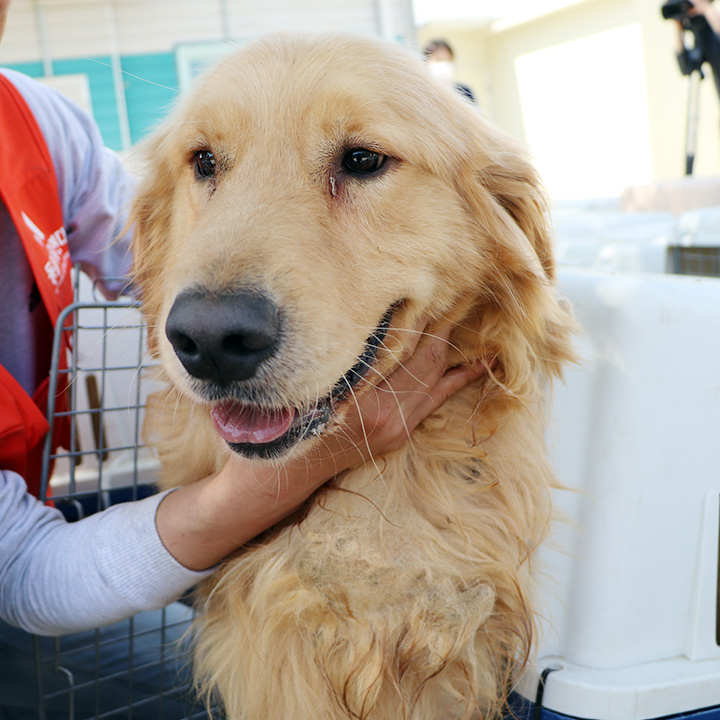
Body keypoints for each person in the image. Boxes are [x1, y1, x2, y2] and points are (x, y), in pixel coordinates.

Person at [0, 0, 484, 639]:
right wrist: (292, 474)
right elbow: (22, 575)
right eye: (207, 163)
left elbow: (147, 254)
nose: (209, 326)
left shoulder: (35, 123)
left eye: (362, 160)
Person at [674, 0, 720, 100]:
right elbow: (686, 67)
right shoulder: (700, 41)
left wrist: (706, 9)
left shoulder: (712, 37)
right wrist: (678, 27)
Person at [423, 38, 476, 104]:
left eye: (447, 60)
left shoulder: (465, 92)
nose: (444, 64)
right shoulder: (422, 94)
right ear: (425, 61)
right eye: (438, 60)